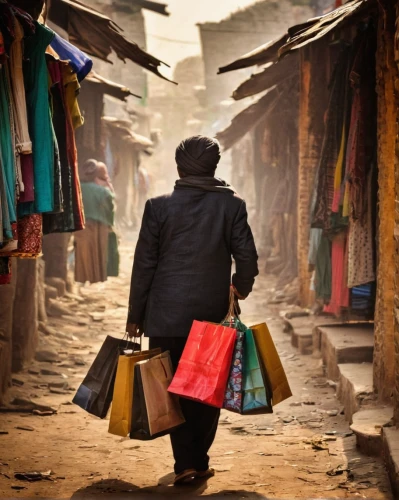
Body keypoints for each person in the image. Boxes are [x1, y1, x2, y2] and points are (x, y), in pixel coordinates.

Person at [126, 135, 258, 485]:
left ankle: (187, 461)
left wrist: (135, 317)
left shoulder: (158, 206)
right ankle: (196, 459)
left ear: (179, 165)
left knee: (175, 390)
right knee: (205, 390)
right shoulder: (232, 207)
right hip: (212, 314)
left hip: (164, 314)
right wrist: (239, 289)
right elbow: (246, 259)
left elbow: (144, 266)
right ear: (214, 166)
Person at [74, 159, 115, 284]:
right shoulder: (103, 191)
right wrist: (110, 224)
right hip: (99, 224)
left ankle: (81, 278)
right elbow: (110, 206)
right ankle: (96, 278)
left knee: (82, 253)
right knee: (97, 253)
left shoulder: (78, 188)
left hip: (80, 224)